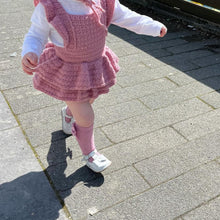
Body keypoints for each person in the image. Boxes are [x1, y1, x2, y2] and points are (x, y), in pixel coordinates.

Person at [21, 0, 167, 173]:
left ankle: (68, 114)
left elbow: (128, 17)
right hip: (69, 71)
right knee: (85, 116)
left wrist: (153, 27)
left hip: (93, 69)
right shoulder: (50, 7)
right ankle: (90, 153)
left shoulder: (104, 2)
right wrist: (30, 52)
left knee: (89, 100)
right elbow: (36, 34)